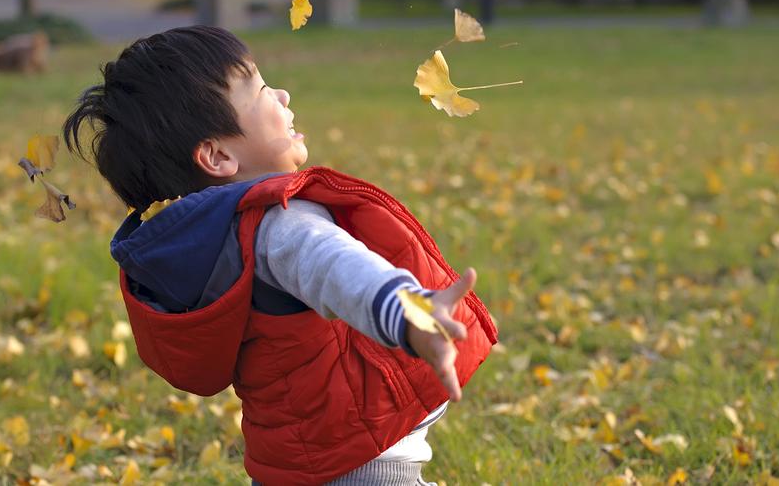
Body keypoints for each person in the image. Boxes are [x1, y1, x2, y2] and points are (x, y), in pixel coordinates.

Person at [61, 26, 498, 485]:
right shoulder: (279, 227)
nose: (284, 95)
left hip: (298, 460)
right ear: (216, 155)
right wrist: (412, 315)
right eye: (261, 89)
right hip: (358, 467)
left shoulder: (218, 241)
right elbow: (337, 268)